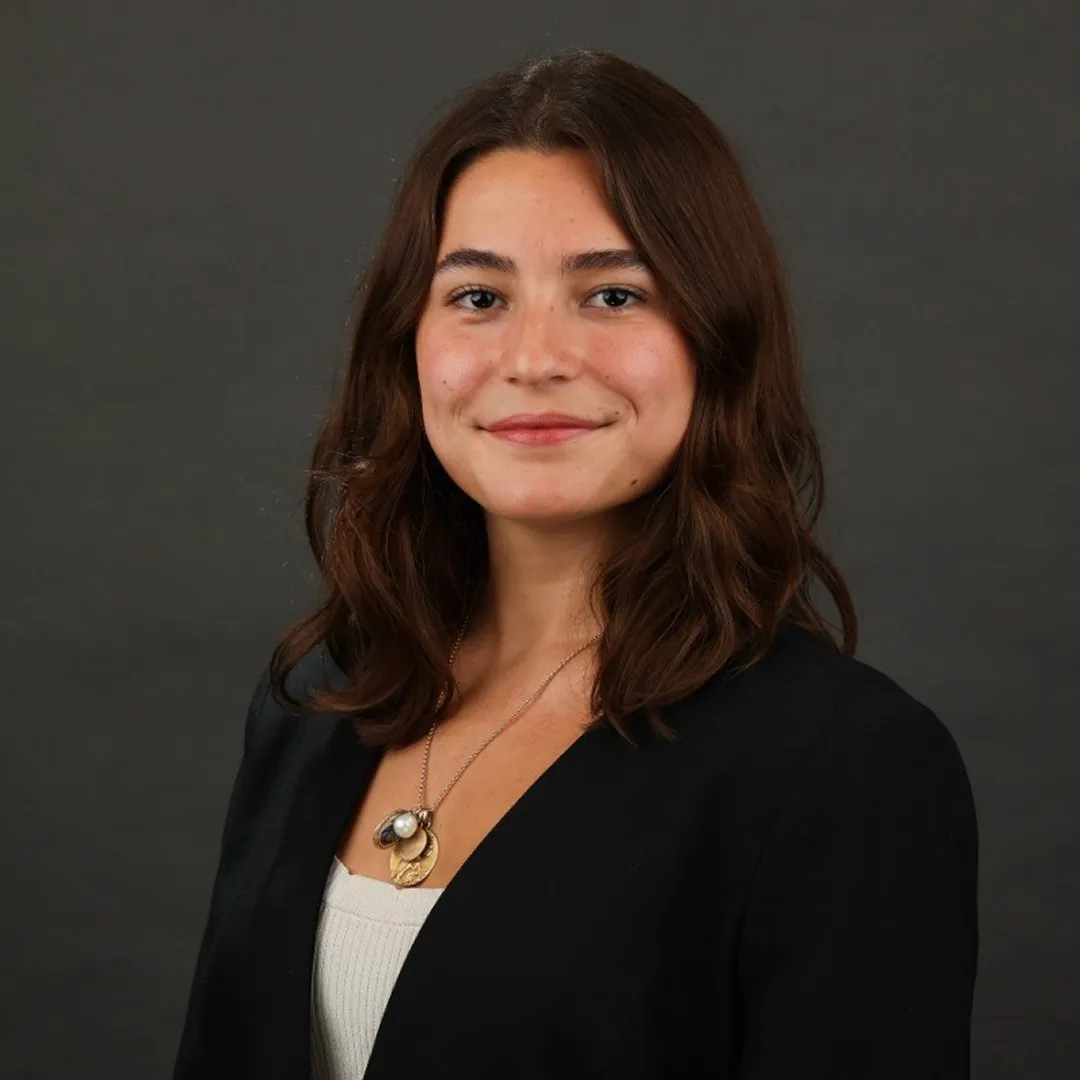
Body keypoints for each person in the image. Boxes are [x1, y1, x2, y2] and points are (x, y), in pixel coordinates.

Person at [171, 47, 978, 1080]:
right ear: (406, 341)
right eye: (476, 296)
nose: (536, 356)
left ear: (716, 341)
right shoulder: (318, 701)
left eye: (612, 296)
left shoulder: (848, 765)